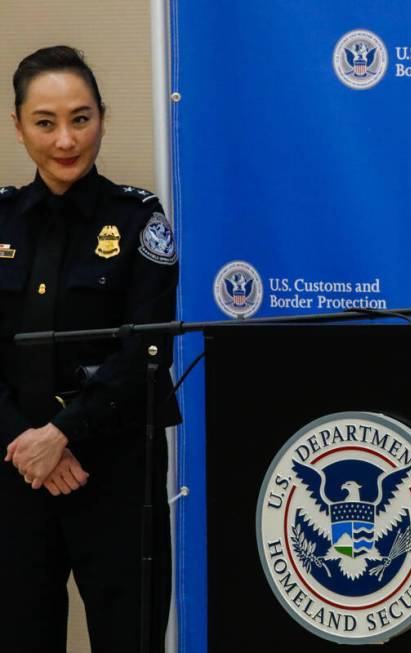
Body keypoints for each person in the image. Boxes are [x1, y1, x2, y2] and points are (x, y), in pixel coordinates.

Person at [0, 46, 180, 652]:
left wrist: (62, 435)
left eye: (81, 118)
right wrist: (30, 444)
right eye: (45, 122)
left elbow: (149, 353)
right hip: (15, 469)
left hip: (115, 471)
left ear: (102, 116)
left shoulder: (138, 220)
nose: (65, 140)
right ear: (19, 125)